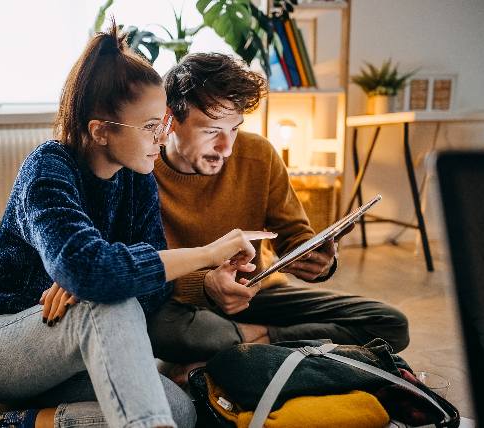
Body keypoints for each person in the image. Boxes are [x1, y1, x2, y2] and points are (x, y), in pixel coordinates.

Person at [0, 26, 274, 428]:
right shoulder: (48, 169)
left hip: (71, 351)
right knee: (107, 303)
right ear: (101, 130)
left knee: (180, 410)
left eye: (165, 123)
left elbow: (154, 294)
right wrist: (206, 255)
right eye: (151, 126)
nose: (163, 137)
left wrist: (97, 274)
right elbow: (93, 273)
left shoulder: (138, 178)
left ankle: (2, 424)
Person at [145, 53, 410, 382]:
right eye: (212, 130)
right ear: (170, 119)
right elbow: (139, 270)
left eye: (235, 129)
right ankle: (270, 351)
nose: (226, 147)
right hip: (178, 302)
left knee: (390, 323)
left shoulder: (258, 155)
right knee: (154, 326)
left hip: (254, 295)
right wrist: (206, 284)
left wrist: (317, 259)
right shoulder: (142, 168)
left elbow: (294, 235)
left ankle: (252, 344)